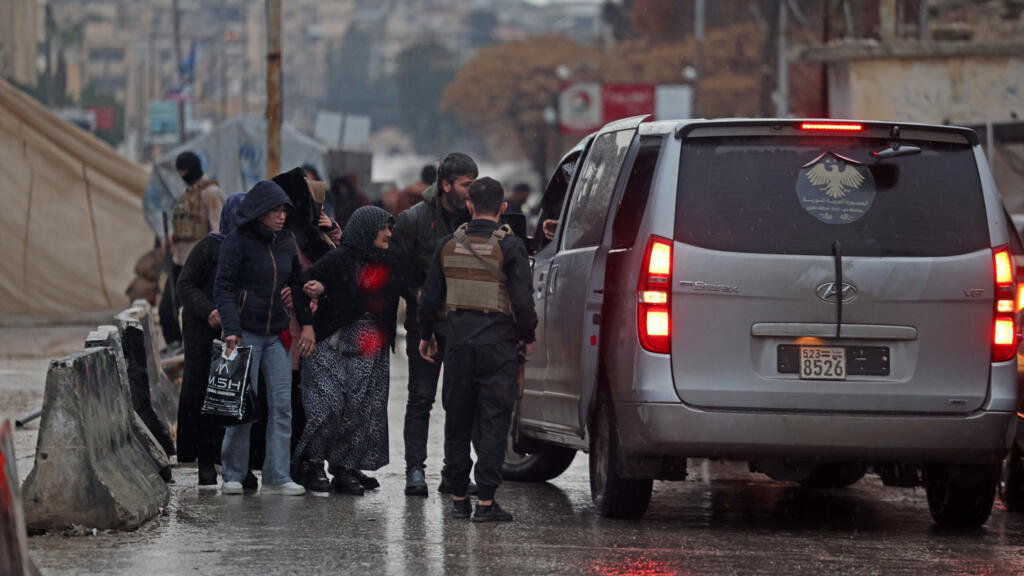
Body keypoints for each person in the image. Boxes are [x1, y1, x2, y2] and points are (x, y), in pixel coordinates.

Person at [417, 177, 538, 522]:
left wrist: (427, 335)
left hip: (457, 346)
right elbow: (522, 302)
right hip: (497, 347)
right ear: (502, 208)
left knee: (456, 421)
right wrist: (528, 335)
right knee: (493, 423)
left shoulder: (447, 245)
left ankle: (458, 498)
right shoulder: (511, 248)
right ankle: (485, 502)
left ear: (469, 206)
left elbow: (429, 302)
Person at [291, 206, 405, 496]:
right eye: (384, 228)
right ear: (367, 230)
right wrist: (307, 325)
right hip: (332, 343)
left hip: (370, 349)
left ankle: (343, 468)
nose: (389, 234)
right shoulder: (339, 259)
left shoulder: (388, 261)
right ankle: (313, 464)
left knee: (361, 409)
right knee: (326, 406)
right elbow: (300, 286)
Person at [213, 180, 311, 496]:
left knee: (282, 406)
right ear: (259, 212)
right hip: (245, 335)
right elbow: (223, 288)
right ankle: (233, 474)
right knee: (242, 407)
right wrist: (231, 330)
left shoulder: (287, 242)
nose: (282, 217)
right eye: (276, 211)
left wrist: (304, 316)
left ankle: (278, 475)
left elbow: (298, 282)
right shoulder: (236, 242)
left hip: (277, 335)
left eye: (284, 211)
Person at [390, 152, 476, 496]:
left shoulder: (475, 220)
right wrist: (419, 293)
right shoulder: (413, 219)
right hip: (423, 323)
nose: (471, 191)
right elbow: (396, 270)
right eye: (466, 185)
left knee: (460, 401)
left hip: (464, 326)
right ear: (445, 185)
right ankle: (415, 470)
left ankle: (454, 472)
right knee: (421, 399)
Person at [272, 167, 341, 480]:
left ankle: (319, 462)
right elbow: (287, 284)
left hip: (325, 327)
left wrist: (333, 229)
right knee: (299, 400)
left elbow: (342, 261)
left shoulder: (315, 232)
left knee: (323, 399)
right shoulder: (289, 238)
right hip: (299, 326)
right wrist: (312, 304)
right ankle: (297, 464)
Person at [176, 193, 245, 489]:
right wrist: (210, 311)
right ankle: (205, 462)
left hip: (234, 331)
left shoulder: (251, 248)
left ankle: (229, 462)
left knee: (231, 397)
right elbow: (186, 284)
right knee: (202, 394)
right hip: (202, 332)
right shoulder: (209, 246)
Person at [160, 151, 225, 352]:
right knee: (167, 307)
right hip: (179, 257)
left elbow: (218, 228)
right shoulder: (189, 193)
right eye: (179, 170)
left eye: (185, 169)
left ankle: (190, 346)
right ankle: (175, 343)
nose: (182, 174)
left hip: (198, 262)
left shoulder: (211, 192)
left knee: (194, 309)